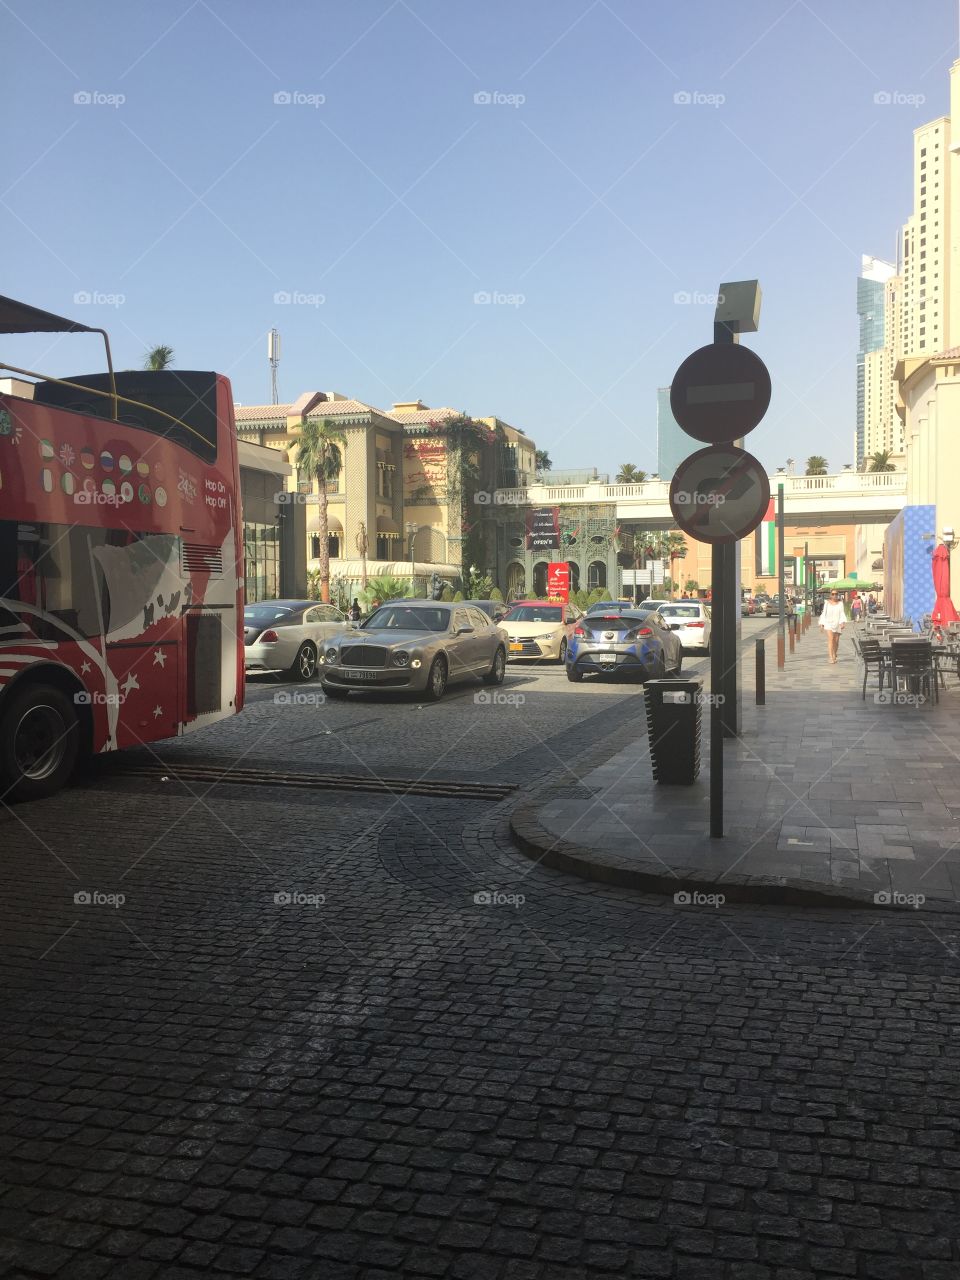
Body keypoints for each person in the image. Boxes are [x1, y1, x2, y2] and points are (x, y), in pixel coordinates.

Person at [818, 590, 845, 664]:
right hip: (828, 623)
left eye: (836, 594)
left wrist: (842, 622)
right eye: (833, 594)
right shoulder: (827, 603)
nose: (834, 595)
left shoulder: (840, 604)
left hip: (837, 623)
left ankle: (834, 653)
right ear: (830, 595)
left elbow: (842, 613)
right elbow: (824, 613)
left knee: (836, 641)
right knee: (831, 639)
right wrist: (822, 623)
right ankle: (831, 657)